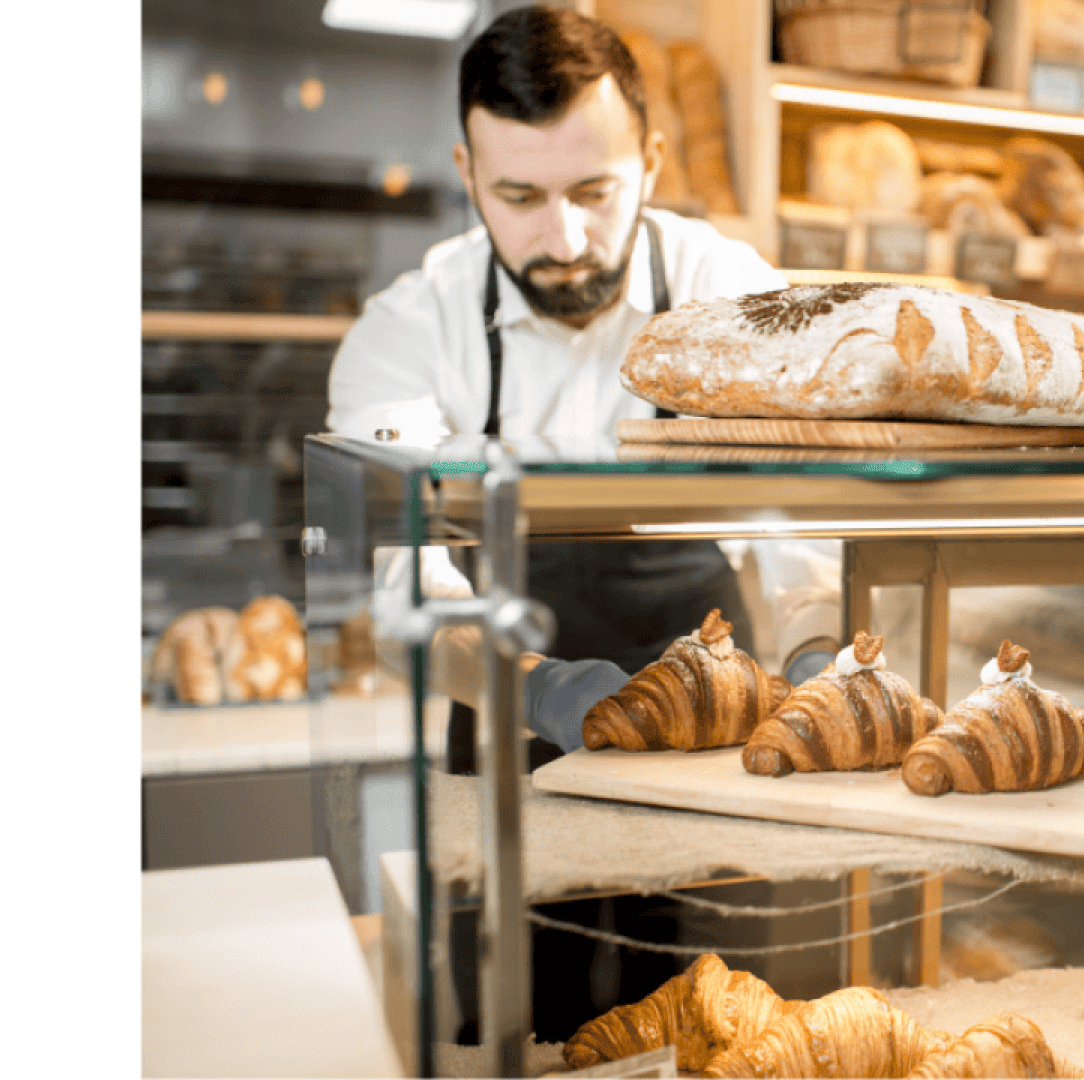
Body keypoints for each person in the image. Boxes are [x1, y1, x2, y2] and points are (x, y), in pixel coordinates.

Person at [326, 6, 837, 1043]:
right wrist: (541, 690)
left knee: (711, 1012)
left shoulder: (728, 292)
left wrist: (819, 655)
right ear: (467, 171)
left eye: (594, 192)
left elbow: (800, 514)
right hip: (508, 715)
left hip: (718, 712)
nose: (562, 239)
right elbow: (402, 573)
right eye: (519, 196)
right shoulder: (407, 328)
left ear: (651, 159)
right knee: (525, 1021)